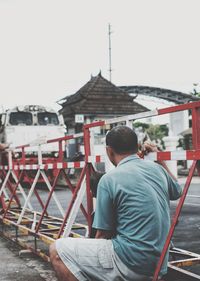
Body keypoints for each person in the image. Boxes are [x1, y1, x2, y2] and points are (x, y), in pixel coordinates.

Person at [49, 126, 182, 281]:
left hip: (131, 263)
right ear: (136, 147)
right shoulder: (157, 170)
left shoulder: (109, 179)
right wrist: (160, 161)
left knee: (57, 250)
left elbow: (102, 235)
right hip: (159, 264)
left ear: (109, 151)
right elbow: (177, 191)